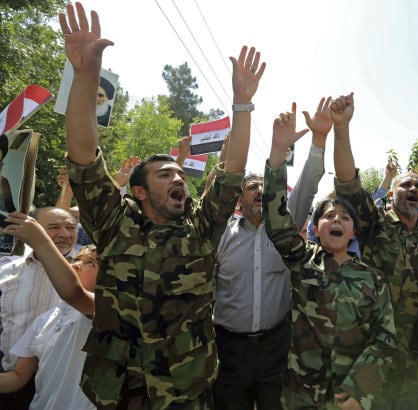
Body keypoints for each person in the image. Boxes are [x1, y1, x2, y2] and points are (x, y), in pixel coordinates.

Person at [58, 3, 257, 407]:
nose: (179, 178)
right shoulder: (114, 223)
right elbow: (83, 154)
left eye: (180, 174)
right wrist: (85, 76)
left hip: (187, 387)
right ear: (140, 193)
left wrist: (242, 103)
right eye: (165, 175)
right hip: (119, 388)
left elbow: (232, 169)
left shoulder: (201, 227)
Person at [264, 103, 397, 409]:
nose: (337, 220)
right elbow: (275, 217)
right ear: (315, 227)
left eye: (344, 218)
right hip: (300, 394)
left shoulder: (373, 280)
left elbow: (384, 338)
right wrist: (278, 151)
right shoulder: (301, 259)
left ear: (353, 233)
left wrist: (360, 390)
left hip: (348, 398)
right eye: (329, 216)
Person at [212, 97, 333, 410]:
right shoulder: (223, 234)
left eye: (265, 186)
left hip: (276, 348)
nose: (259, 190)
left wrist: (319, 141)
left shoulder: (285, 228)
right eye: (251, 186)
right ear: (238, 200)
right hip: (229, 349)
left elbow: (308, 184)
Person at [332, 92, 418, 409]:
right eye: (405, 185)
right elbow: (348, 184)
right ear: (392, 192)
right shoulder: (374, 225)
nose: (412, 189)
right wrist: (342, 130)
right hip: (373, 354)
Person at [0, 212, 97, 409]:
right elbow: (17, 377)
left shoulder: (103, 311)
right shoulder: (44, 320)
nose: (77, 264)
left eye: (91, 263)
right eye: (77, 259)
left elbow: (73, 293)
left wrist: (40, 241)